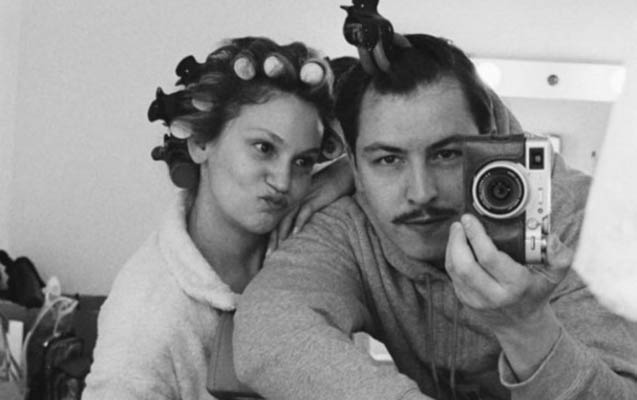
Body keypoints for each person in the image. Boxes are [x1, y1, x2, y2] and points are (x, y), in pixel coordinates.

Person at [233, 33, 637, 399]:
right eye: (388, 159)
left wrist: (527, 328)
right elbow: (268, 332)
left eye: (446, 154)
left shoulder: (575, 220)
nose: (421, 192)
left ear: (492, 143)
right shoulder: (351, 226)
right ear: (354, 168)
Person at [82, 36, 352, 399]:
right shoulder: (145, 320)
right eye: (264, 148)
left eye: (303, 161)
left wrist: (346, 174)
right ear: (200, 143)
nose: (283, 181)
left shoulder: (309, 237)